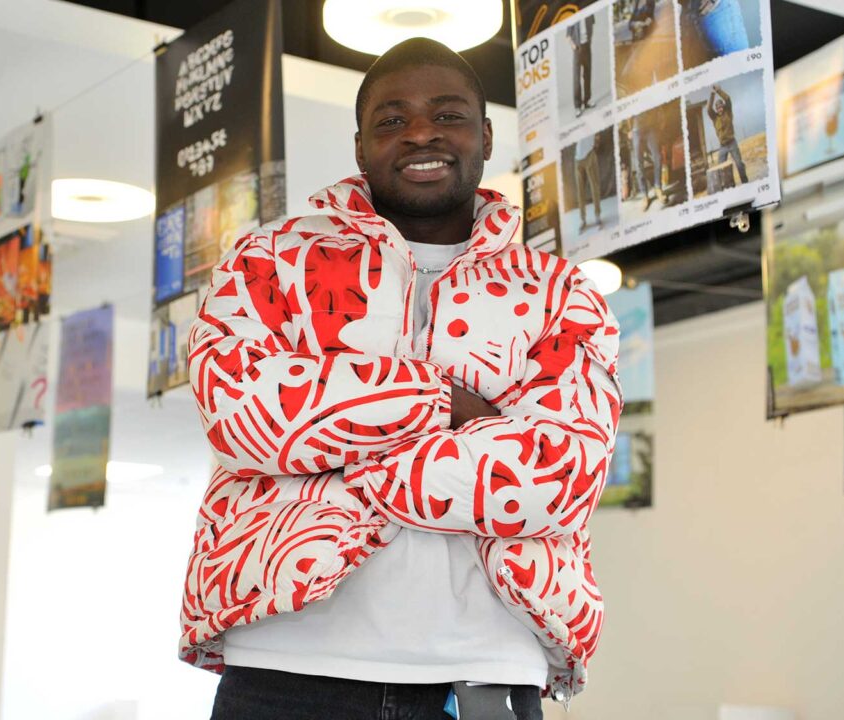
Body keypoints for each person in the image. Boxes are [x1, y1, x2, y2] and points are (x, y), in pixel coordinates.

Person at [180, 38, 622, 720]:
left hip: (486, 668)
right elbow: (244, 415)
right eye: (392, 119)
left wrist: (339, 457)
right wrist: (440, 402)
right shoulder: (266, 263)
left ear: (485, 135)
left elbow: (560, 472)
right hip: (286, 663)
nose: (420, 132)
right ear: (359, 146)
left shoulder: (560, 293)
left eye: (447, 114)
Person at [707, 84, 748, 184]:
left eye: (721, 107)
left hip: (732, 143)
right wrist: (712, 94)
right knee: (721, 169)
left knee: (739, 164)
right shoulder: (715, 118)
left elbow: (728, 99)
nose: (720, 109)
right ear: (716, 109)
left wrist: (718, 91)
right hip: (723, 147)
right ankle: (727, 188)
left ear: (723, 107)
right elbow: (708, 109)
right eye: (718, 108)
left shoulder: (728, 112)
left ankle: (745, 183)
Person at [567, 14, 596, 117]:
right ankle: (577, 106)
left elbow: (592, 23)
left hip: (587, 45)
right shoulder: (572, 14)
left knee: (588, 74)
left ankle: (587, 101)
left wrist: (589, 40)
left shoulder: (589, 12)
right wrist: (574, 46)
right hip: (577, 48)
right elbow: (568, 35)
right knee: (576, 78)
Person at [574, 132, 603, 232]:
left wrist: (595, 143)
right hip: (578, 158)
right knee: (580, 191)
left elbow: (598, 135)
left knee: (594, 186)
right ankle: (583, 219)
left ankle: (597, 215)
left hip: (590, 155)